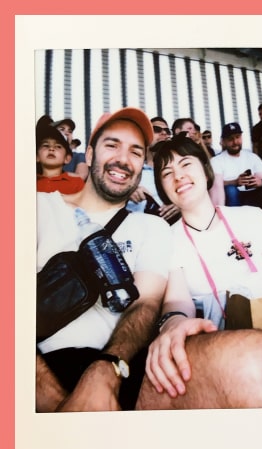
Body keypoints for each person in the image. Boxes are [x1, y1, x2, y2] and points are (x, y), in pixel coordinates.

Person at [141, 136, 262, 408]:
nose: (178, 176)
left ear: (205, 170)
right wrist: (172, 327)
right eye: (167, 173)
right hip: (218, 345)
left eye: (185, 164)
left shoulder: (252, 217)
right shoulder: (167, 240)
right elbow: (177, 303)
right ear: (162, 189)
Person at [36, 107, 172, 412]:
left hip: (125, 369)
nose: (123, 159)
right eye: (112, 145)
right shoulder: (34, 208)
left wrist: (107, 369)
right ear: (88, 154)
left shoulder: (152, 227)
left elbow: (146, 302)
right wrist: (54, 398)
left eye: (136, 152)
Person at [127, 115, 181, 224]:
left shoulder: (179, 167)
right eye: (156, 130)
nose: (164, 133)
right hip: (136, 228)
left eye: (167, 131)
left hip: (173, 228)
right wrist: (126, 191)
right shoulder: (130, 166)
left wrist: (181, 204)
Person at [208, 122, 262, 212]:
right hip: (231, 197)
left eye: (237, 137)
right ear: (224, 141)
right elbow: (215, 185)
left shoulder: (253, 157)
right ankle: (234, 222)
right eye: (230, 139)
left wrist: (260, 182)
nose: (235, 142)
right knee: (231, 190)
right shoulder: (216, 160)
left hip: (254, 195)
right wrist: (235, 182)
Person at [35, 120, 84, 194]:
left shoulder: (76, 183)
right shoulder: (29, 181)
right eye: (46, 145)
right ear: (36, 156)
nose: (51, 149)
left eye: (58, 146)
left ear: (67, 158)